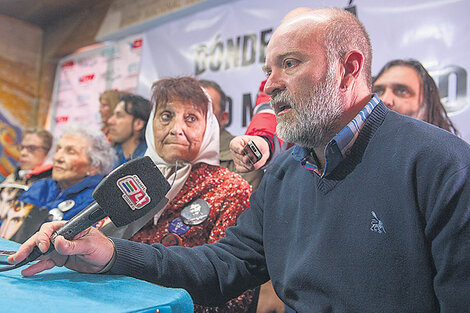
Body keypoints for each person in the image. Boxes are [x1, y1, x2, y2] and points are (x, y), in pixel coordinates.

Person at [11, 7, 470, 312]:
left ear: (349, 68)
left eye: (289, 64)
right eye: (267, 69)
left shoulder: (442, 165)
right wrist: (111, 253)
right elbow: (223, 266)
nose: (269, 85)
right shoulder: (287, 172)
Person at [100, 76, 255, 312]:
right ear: (152, 123)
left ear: (209, 127)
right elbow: (99, 234)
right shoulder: (132, 178)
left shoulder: (230, 188)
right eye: (166, 116)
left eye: (191, 119)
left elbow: (234, 294)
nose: (176, 129)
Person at [0, 124, 115, 243]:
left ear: (94, 166)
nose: (58, 157)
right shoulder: (39, 187)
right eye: (58, 149)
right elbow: (8, 229)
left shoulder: (96, 201)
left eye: (70, 151)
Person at [199, 79, 264, 190]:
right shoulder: (169, 152)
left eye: (205, 109)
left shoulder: (242, 156)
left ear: (223, 118)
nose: (196, 115)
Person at [373, 58, 458, 134]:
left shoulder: (445, 150)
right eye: (379, 91)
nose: (385, 100)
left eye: (402, 91)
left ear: (426, 105)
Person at [0, 128, 53, 225]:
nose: (23, 153)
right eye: (22, 147)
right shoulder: (12, 177)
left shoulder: (51, 184)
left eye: (31, 148)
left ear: (48, 151)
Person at [107, 94, 151, 167]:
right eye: (113, 115)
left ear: (138, 124)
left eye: (119, 115)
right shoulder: (112, 156)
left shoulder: (148, 161)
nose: (110, 121)